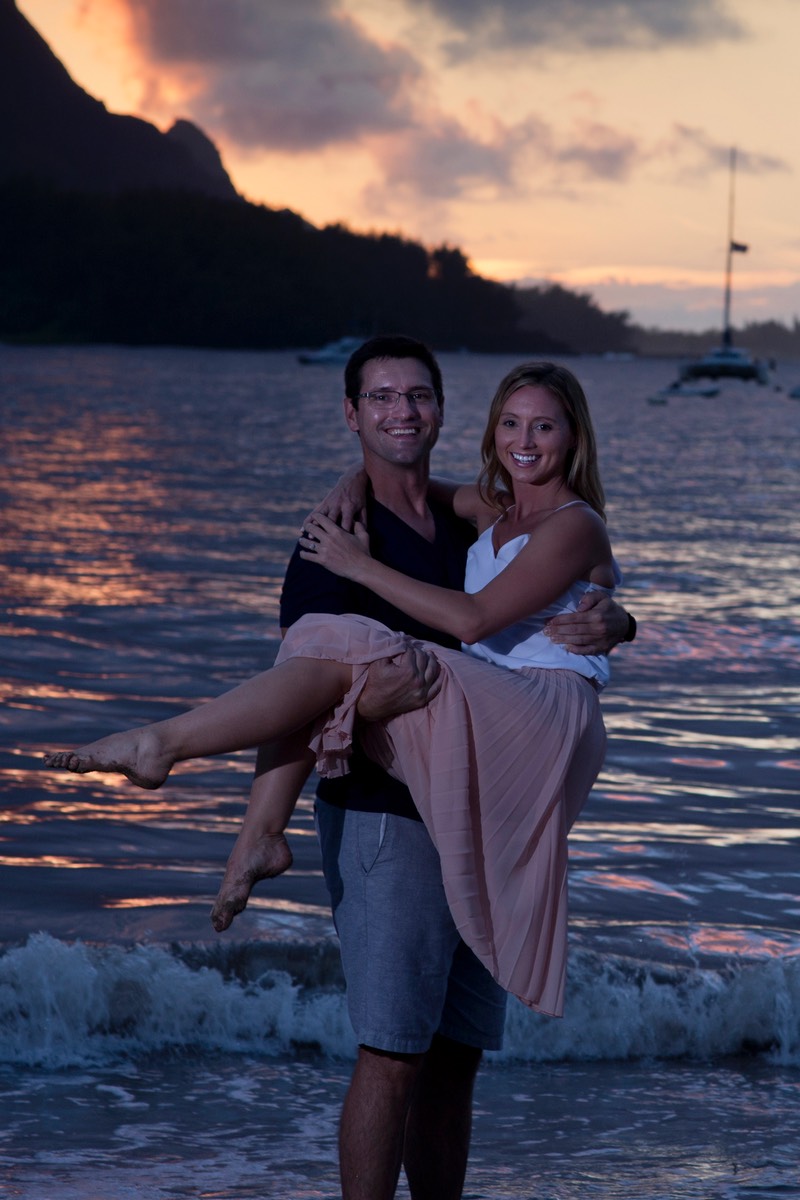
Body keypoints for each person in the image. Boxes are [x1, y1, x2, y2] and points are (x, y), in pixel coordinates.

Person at [45, 338, 634, 1200]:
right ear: (352, 415)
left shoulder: (473, 515)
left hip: (490, 781)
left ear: (440, 409)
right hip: (387, 817)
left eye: (419, 396)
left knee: (455, 1058)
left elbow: (537, 583)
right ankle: (185, 764)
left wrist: (622, 621)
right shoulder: (344, 538)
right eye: (382, 398)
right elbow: (298, 695)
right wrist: (366, 695)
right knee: (396, 1050)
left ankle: (234, 812)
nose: (403, 412)